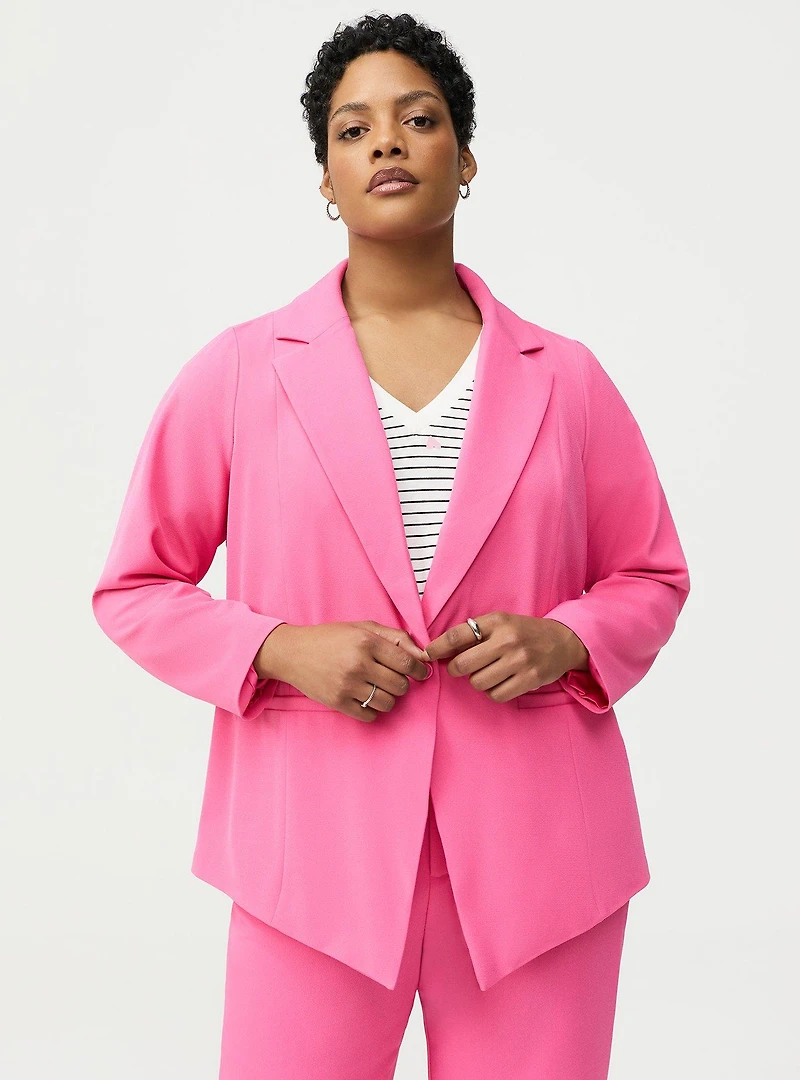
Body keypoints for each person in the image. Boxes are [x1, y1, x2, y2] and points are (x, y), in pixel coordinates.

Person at [92, 13, 691, 1079]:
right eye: (351, 128)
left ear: (465, 159)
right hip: (308, 861)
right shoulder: (240, 372)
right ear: (325, 178)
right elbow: (136, 585)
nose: (385, 143)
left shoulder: (567, 378)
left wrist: (565, 640)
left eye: (418, 119)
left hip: (539, 862)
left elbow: (649, 574)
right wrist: (279, 647)